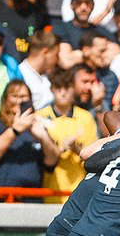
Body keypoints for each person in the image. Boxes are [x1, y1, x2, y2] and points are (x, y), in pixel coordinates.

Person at [0, 80, 59, 191]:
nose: (18, 101)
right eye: (14, 96)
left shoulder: (38, 125)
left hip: (31, 198)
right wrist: (15, 130)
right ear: (5, 99)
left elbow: (51, 161)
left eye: (23, 97)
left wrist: (43, 137)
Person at [37, 68, 98, 203]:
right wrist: (58, 149)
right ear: (52, 89)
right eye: (58, 88)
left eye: (67, 88)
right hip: (49, 192)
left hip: (78, 194)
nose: (63, 92)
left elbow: (94, 158)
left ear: (73, 89)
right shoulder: (39, 117)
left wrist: (75, 148)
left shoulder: (86, 117)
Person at [19, 30, 58, 112]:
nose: (57, 60)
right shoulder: (21, 75)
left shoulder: (47, 75)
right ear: (45, 52)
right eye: (56, 55)